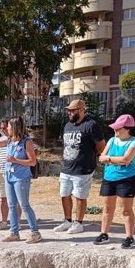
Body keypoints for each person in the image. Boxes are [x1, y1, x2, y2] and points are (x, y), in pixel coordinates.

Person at [53, 99, 105, 234]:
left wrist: (89, 158)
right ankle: (67, 220)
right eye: (68, 111)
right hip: (67, 167)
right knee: (64, 194)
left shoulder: (91, 125)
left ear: (81, 110)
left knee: (80, 196)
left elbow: (101, 146)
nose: (69, 113)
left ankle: (79, 223)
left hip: (83, 169)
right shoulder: (67, 126)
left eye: (72, 110)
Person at [94, 114, 135, 249]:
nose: (115, 131)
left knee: (126, 210)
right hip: (109, 178)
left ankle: (129, 236)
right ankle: (104, 233)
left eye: (118, 128)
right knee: (107, 208)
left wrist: (109, 159)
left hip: (127, 179)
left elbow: (126, 160)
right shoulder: (112, 140)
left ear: (127, 129)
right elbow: (101, 157)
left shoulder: (134, 142)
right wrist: (114, 159)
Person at [0, 116, 41, 243]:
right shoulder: (10, 141)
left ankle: (35, 232)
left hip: (21, 177)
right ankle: (14, 232)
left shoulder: (26, 142)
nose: (7, 128)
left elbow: (32, 162)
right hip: (9, 176)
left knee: (24, 205)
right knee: (11, 205)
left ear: (15, 127)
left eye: (9, 127)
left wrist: (15, 160)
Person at [0, 117, 14, 230]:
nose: (3, 130)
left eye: (5, 127)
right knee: (3, 198)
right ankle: (4, 222)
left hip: (14, 173)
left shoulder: (18, 138)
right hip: (1, 173)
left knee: (16, 199)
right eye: (2, 128)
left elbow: (33, 151)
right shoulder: (1, 139)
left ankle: (16, 223)